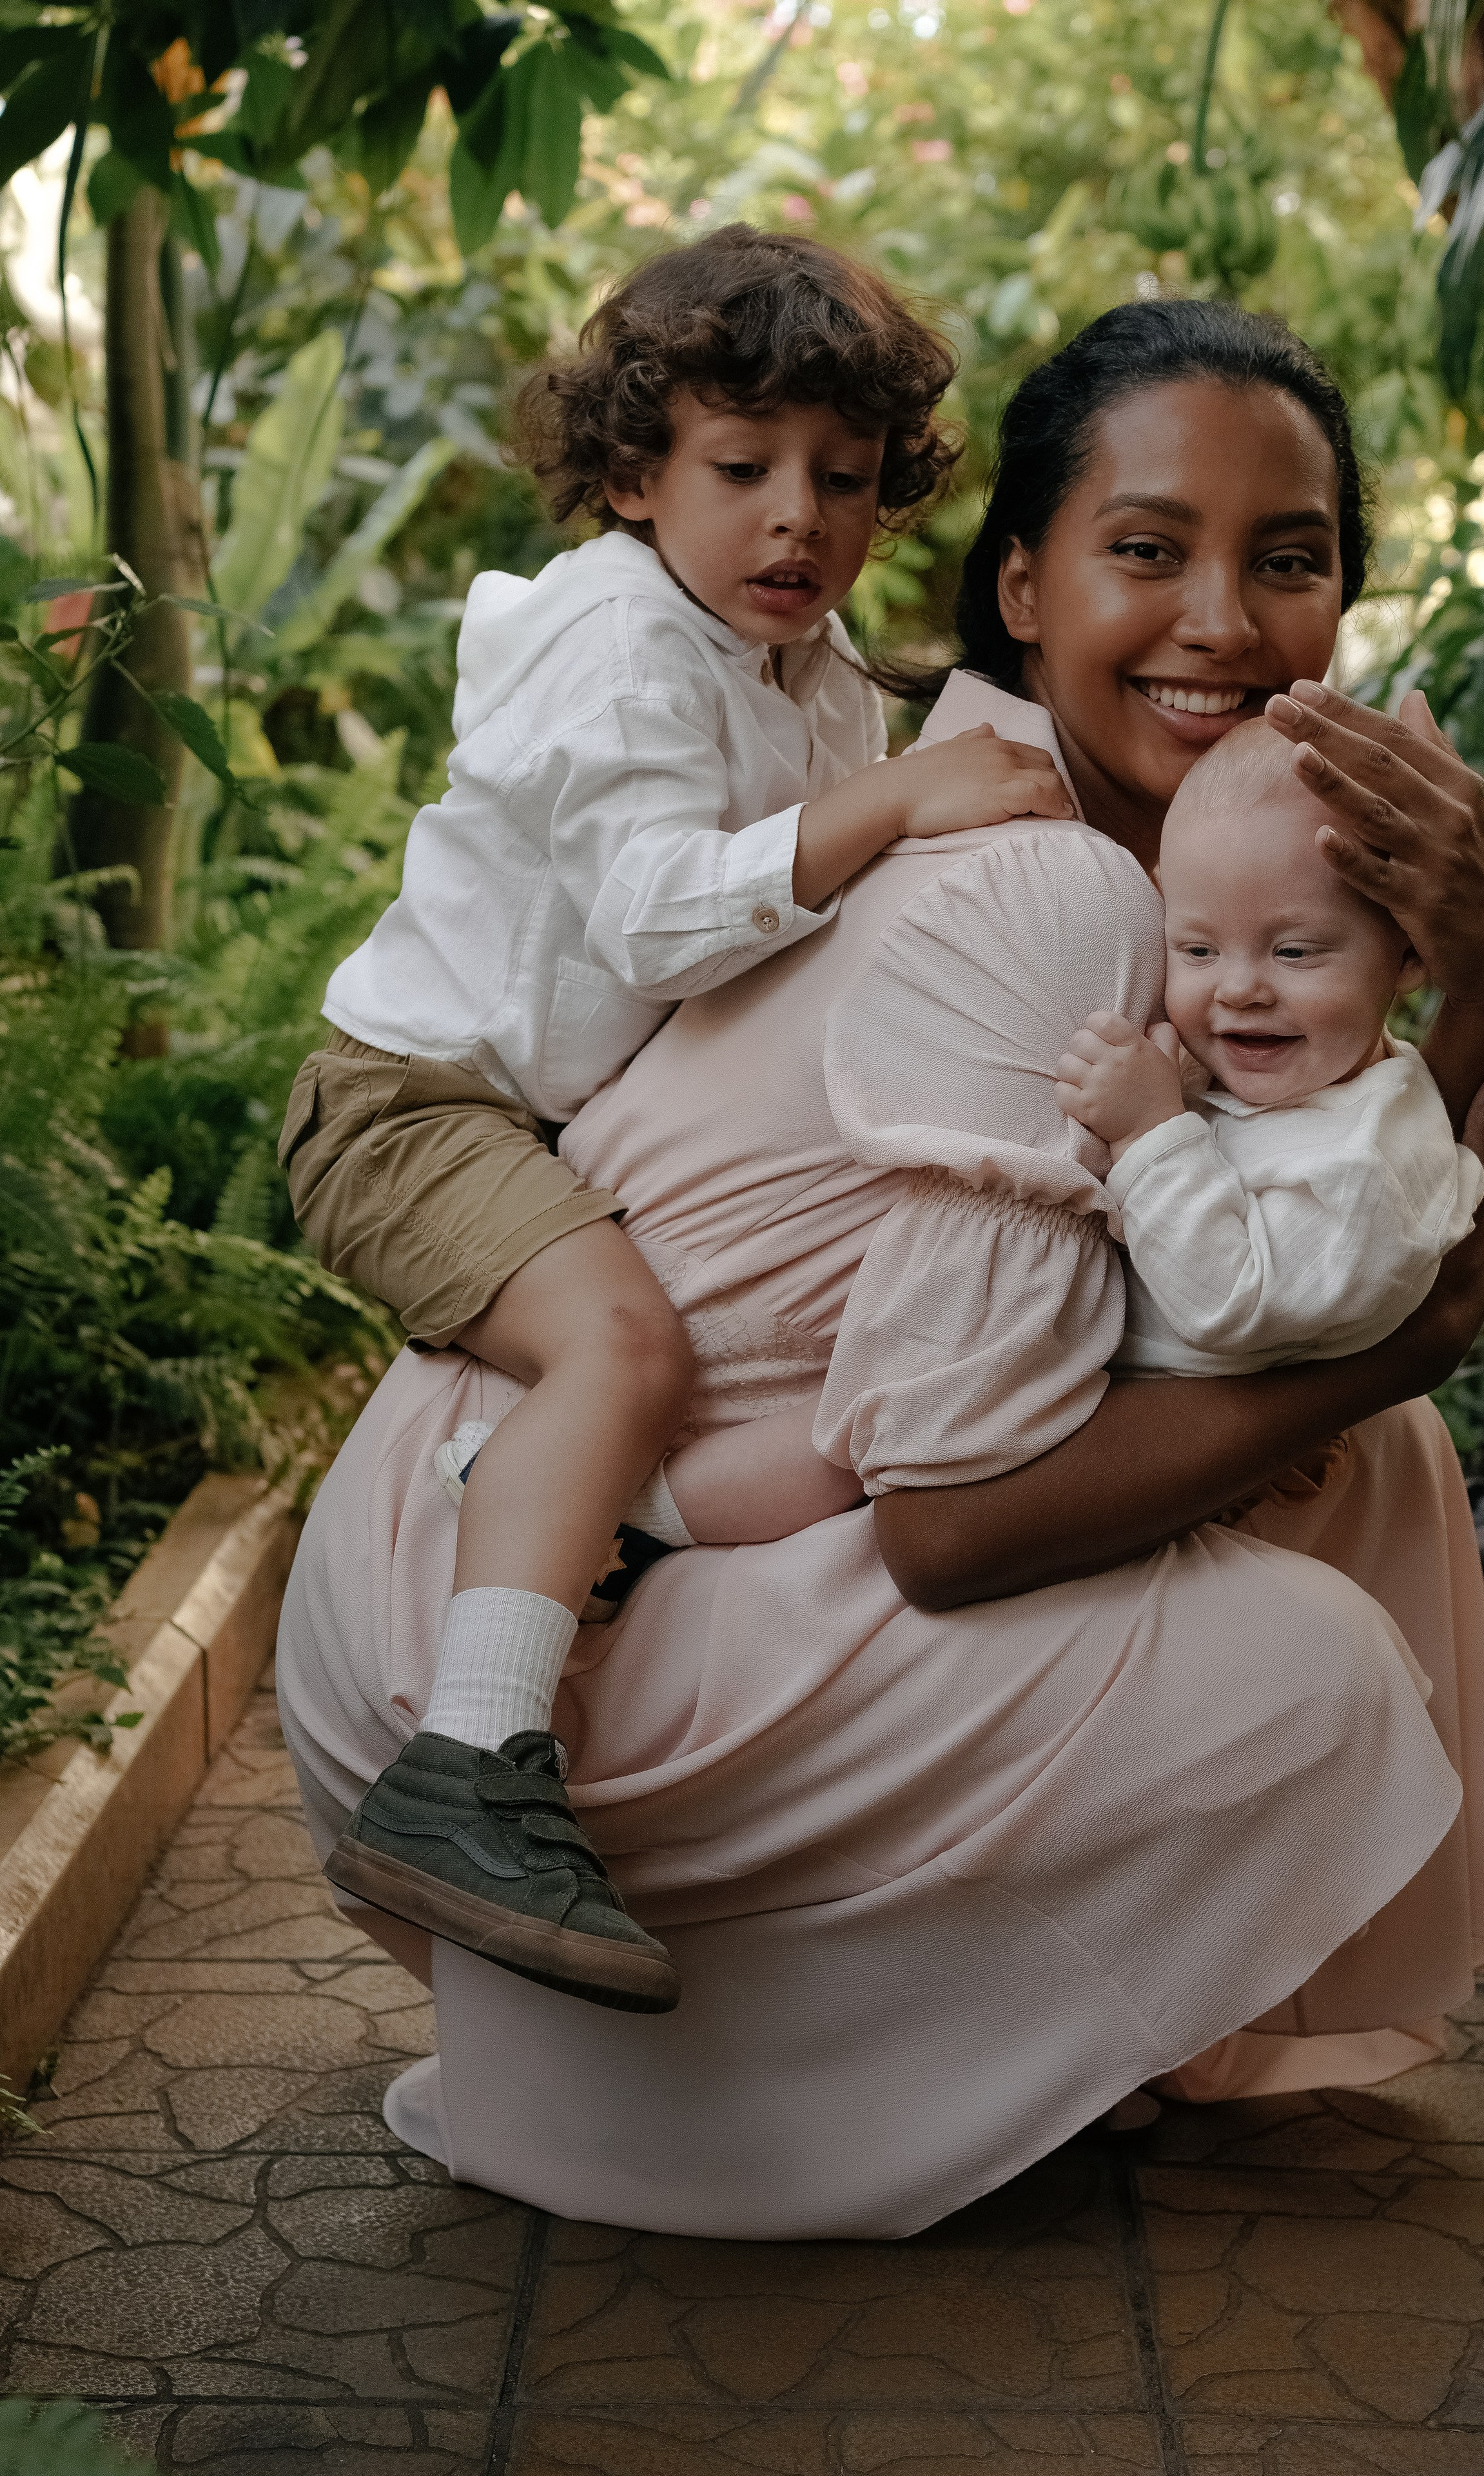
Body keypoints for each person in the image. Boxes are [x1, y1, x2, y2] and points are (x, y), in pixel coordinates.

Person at [277, 297, 1484, 2241]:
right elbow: (966, 1515)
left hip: (709, 1500)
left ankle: (1067, 2024)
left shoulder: (1193, 899)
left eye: (1284, 561)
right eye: (1146, 549)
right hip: (534, 1599)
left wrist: (1474, 997)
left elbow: (1289, 1267)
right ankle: (748, 2101)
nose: (1220, 618)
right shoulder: (1041, 882)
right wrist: (1396, 1344)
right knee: (1311, 1650)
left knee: (1360, 1458)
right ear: (1015, 585)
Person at [278, 227, 1075, 2018]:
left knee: (734, 1386)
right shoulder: (623, 648)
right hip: (413, 1109)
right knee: (625, 1345)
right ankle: (468, 1767)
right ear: (636, 476)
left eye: (845, 482)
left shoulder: (793, 656)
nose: (798, 520)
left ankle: (591, 1515)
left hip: (550, 1115)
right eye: (743, 470)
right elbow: (656, 916)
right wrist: (900, 810)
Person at [1053, 720, 1484, 1374]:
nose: (1239, 989)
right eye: (1197, 950)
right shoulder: (1295, 1073)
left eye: (1293, 952)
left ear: (1409, 954)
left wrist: (1148, 1134)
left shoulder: (1365, 1171)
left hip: (1218, 1465)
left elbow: (1229, 1304)